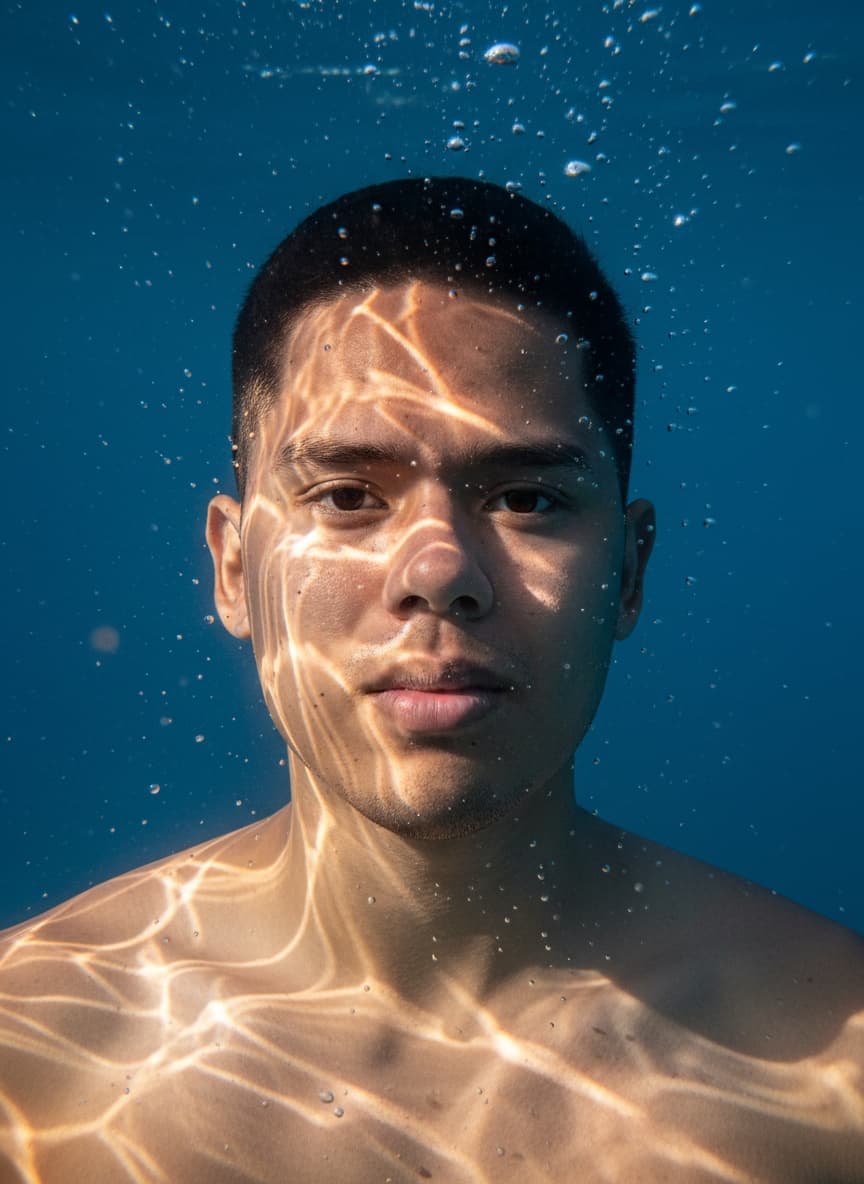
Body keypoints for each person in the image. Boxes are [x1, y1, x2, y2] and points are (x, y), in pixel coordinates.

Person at [1, 177, 862, 1184]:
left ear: (629, 573)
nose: (439, 571)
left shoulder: (839, 1073)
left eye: (529, 497)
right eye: (349, 495)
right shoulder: (30, 1057)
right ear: (234, 567)